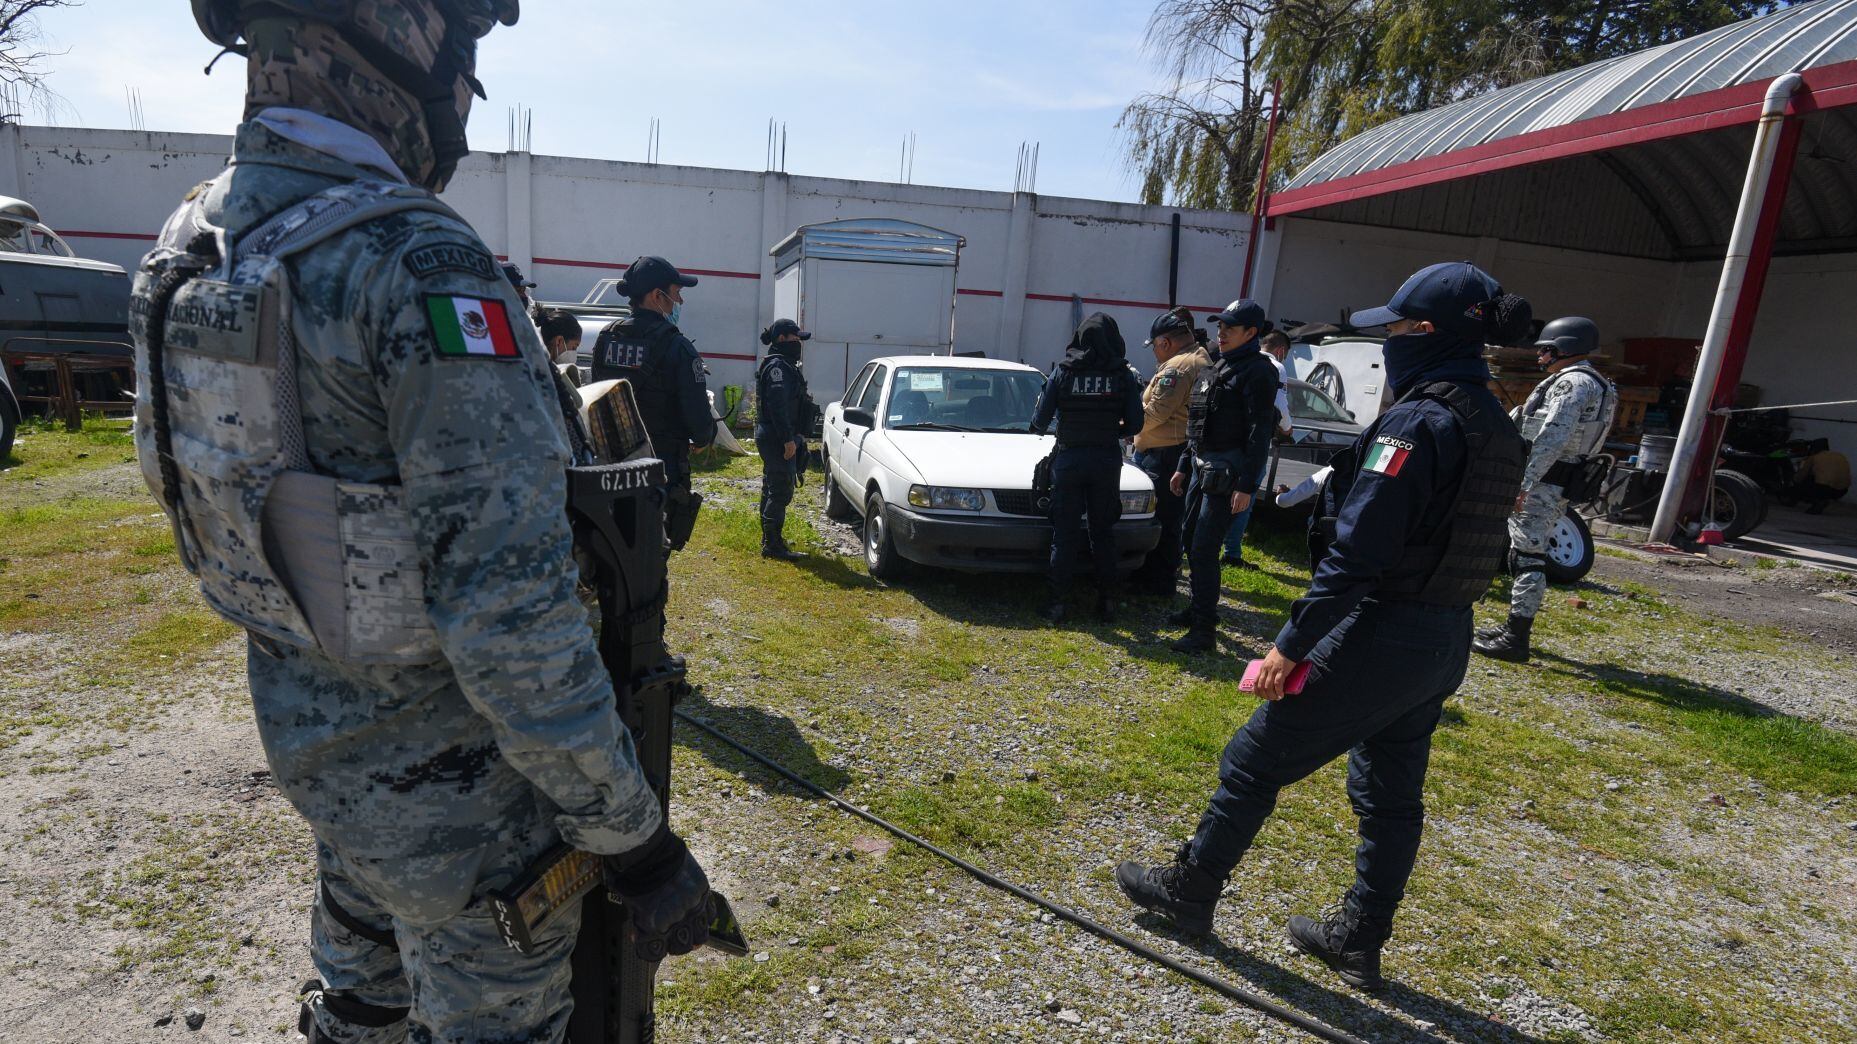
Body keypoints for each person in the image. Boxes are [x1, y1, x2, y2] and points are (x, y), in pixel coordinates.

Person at [139, 3, 714, 1041]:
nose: (460, 102)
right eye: (463, 63)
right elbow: (509, 623)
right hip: (468, 824)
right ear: (401, 48)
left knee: (359, 1010)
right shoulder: (416, 263)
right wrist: (640, 846)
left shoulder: (189, 249)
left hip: (324, 770)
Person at [1115, 262, 1528, 991]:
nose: (1389, 343)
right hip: (1444, 635)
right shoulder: (1491, 420)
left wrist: (1288, 645)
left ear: (1426, 333)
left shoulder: (1417, 422)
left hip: (1385, 628)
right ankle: (1358, 939)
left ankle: (1191, 889)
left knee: (1252, 761)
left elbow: (1358, 555)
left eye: (1396, 330)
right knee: (1389, 794)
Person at [1474, 316, 1616, 662]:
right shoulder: (1598, 383)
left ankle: (1515, 637)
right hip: (1554, 480)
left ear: (1564, 349)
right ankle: (1512, 628)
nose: (1540, 357)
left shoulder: (1572, 385)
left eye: (1546, 350)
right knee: (1524, 552)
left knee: (1527, 557)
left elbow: (1553, 436)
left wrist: (1524, 482)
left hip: (1544, 481)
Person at [1162, 299, 1280, 653]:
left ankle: (1203, 634)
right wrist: (1184, 464)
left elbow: (1260, 433)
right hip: (1201, 467)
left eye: (1230, 327)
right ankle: (1201, 612)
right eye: (1220, 326)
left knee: (1204, 547)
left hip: (1227, 475)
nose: (1221, 332)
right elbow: (1199, 422)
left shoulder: (1259, 372)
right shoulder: (1218, 364)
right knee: (1189, 540)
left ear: (1252, 333)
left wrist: (1247, 485)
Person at [591, 255, 714, 551]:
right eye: (675, 293)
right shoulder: (678, 346)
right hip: (661, 463)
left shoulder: (607, 339)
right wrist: (702, 437)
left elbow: (595, 396)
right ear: (656, 296)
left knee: (614, 544)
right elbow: (697, 413)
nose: (679, 300)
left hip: (613, 460)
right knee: (653, 548)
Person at [1030, 313, 1146, 623]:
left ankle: (1056, 605)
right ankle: (1107, 603)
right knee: (1103, 532)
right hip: (1106, 461)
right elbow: (1136, 423)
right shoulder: (1123, 375)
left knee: (1064, 534)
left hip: (1069, 460)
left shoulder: (1063, 372)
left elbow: (1040, 420)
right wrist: (1108, 430)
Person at [1130, 307, 1212, 597]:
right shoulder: (1200, 357)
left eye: (1154, 346)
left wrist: (1124, 421)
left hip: (1164, 453)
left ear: (1165, 342)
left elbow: (1154, 414)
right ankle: (1160, 578)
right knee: (1170, 520)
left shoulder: (1178, 367)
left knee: (1160, 520)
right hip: (1175, 451)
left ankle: (1156, 582)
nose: (1154, 352)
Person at [1220, 327, 1296, 568]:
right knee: (1245, 499)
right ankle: (1232, 552)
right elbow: (1280, 405)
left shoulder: (1238, 360)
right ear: (1281, 351)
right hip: (1253, 443)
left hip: (1226, 442)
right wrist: (1288, 429)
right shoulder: (1275, 366)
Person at [755, 318, 816, 560]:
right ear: (782, 338)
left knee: (772, 486)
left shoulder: (784, 365)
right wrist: (788, 440)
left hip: (775, 435)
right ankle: (772, 545)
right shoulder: (778, 367)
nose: (799, 342)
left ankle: (770, 538)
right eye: (795, 338)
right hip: (776, 437)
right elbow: (778, 406)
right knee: (780, 490)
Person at [1789, 438, 1850, 514]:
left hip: (1823, 489)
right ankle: (1822, 500)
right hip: (1842, 490)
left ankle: (1818, 502)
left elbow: (1801, 475)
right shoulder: (1840, 456)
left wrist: (1794, 483)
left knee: (1805, 482)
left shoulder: (1814, 457)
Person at [537, 307, 584, 384]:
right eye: (574, 347)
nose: (574, 353)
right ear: (559, 341)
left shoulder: (531, 364)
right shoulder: (555, 377)